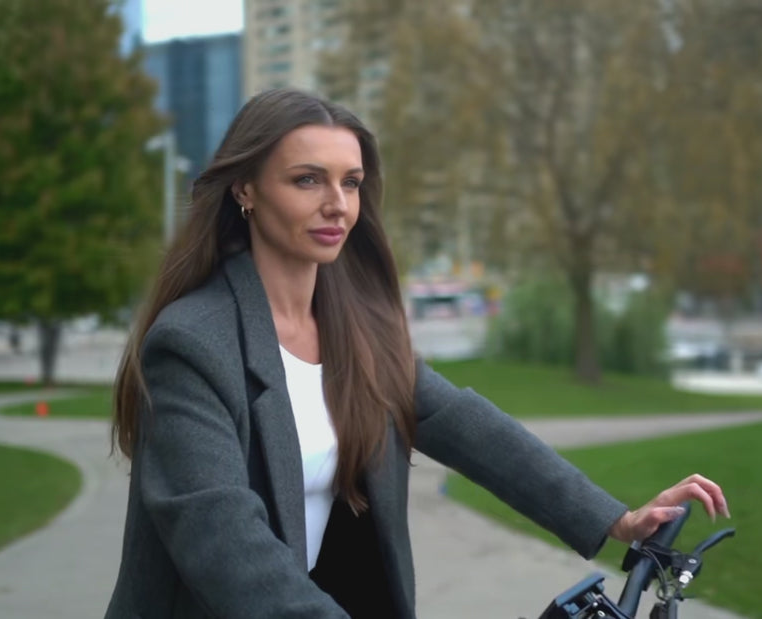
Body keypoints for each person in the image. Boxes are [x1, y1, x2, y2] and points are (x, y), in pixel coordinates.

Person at [105, 88, 729, 619]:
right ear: (245, 189)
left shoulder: (356, 329)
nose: (338, 205)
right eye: (307, 180)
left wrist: (616, 520)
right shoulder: (191, 344)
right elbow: (222, 538)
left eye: (350, 183)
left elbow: (467, 427)